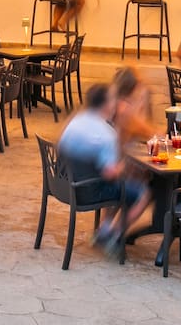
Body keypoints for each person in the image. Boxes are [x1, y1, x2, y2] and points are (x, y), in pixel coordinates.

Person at [58, 82, 151, 260]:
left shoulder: (75, 121)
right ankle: (114, 234)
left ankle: (104, 228)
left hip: (64, 185)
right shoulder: (106, 134)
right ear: (107, 104)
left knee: (120, 185)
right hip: (87, 192)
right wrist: (125, 164)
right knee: (141, 192)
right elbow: (110, 173)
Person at [109, 66, 157, 143]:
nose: (142, 86)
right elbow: (141, 128)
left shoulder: (116, 101)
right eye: (139, 84)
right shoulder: (123, 108)